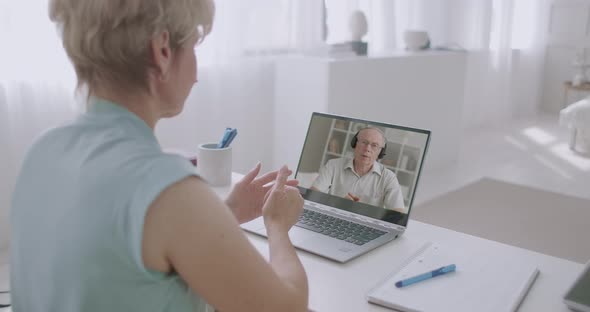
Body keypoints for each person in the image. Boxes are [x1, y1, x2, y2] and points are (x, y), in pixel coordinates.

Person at [10, 1, 308, 311]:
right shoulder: (167, 189)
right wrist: (276, 225)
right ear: (162, 51)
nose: (196, 75)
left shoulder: (41, 152)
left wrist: (225, 213)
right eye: (194, 45)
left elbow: (111, 260)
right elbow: (288, 307)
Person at [311, 127, 405, 210]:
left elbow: (398, 213)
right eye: (364, 142)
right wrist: (338, 203)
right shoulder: (333, 165)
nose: (367, 148)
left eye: (374, 145)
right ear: (355, 144)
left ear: (381, 152)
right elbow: (312, 195)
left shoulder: (389, 177)